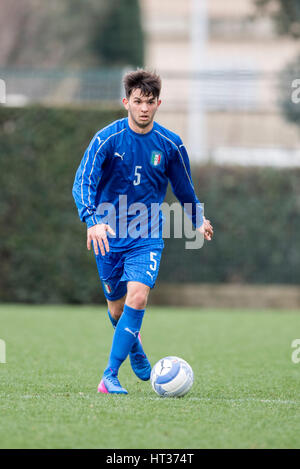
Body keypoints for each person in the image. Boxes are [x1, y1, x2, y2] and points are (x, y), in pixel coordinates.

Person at [72, 69, 213, 394]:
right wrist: (92, 220)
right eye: (138, 101)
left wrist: (197, 218)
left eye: (150, 102)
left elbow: (184, 188)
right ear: (126, 102)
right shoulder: (107, 139)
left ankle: (109, 375)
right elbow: (83, 182)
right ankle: (135, 350)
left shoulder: (170, 144)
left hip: (147, 235)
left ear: (158, 103)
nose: (144, 108)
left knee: (138, 295)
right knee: (117, 309)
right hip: (107, 235)